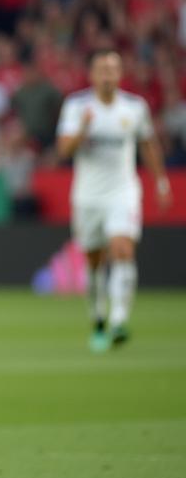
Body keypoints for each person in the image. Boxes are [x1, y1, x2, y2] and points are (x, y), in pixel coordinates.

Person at [56, 49, 171, 352]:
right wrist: (83, 129)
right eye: (102, 69)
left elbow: (148, 144)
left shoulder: (134, 108)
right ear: (92, 74)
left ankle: (119, 319)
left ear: (120, 74)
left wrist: (160, 181)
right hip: (88, 195)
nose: (107, 74)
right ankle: (97, 318)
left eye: (113, 69)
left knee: (122, 248)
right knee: (95, 261)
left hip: (123, 191)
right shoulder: (77, 106)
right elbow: (64, 151)